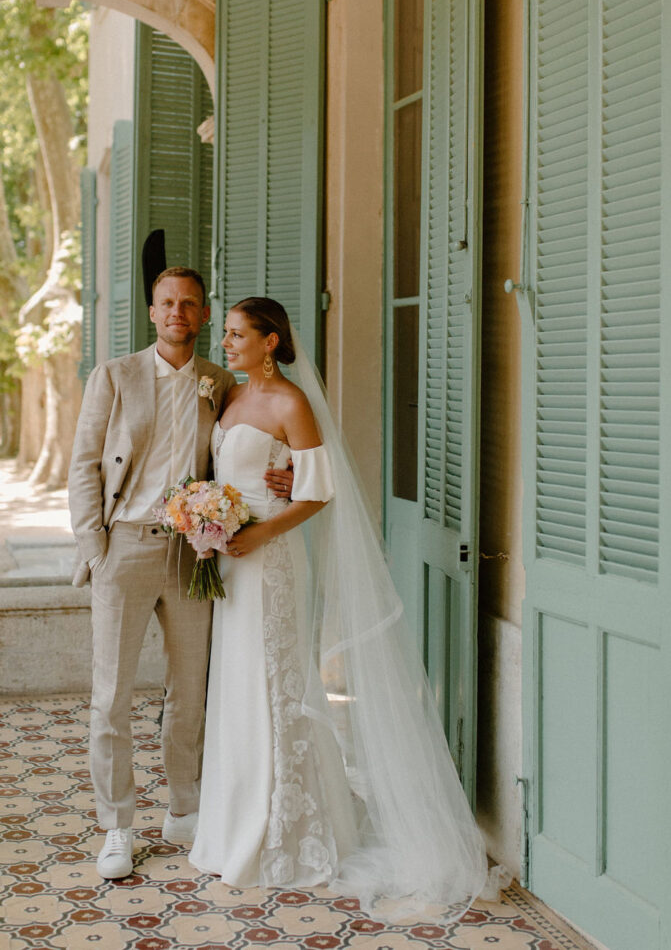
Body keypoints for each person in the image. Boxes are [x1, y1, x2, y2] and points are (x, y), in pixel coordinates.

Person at [189, 297, 491, 918]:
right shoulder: (228, 397)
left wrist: (265, 530)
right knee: (237, 687)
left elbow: (318, 491)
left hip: (269, 560)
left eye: (238, 334)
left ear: (271, 342)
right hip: (229, 557)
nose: (227, 343)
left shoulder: (291, 403)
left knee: (275, 682)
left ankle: (284, 830)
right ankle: (233, 823)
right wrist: (204, 518)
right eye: (226, 334)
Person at [68, 268, 293, 881]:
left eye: (189, 304)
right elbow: (84, 463)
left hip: (196, 554)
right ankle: (117, 826)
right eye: (167, 302)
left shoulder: (219, 383)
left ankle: (184, 809)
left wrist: (287, 474)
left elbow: (260, 439)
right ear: (152, 312)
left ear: (202, 315)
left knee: (189, 691)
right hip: (126, 550)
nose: (177, 312)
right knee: (111, 697)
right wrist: (96, 549)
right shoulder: (114, 376)